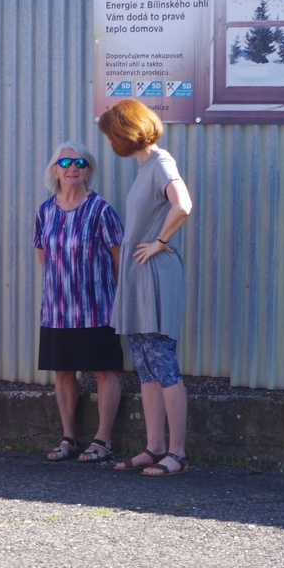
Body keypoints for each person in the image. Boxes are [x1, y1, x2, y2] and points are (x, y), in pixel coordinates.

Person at [98, 99, 194, 476]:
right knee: (146, 367)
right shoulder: (145, 168)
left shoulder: (161, 162)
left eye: (112, 135)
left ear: (125, 132)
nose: (110, 143)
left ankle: (178, 453)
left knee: (163, 362)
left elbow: (183, 205)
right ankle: (154, 448)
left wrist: (159, 242)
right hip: (138, 278)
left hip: (155, 277)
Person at [34, 141, 124, 462]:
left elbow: (118, 256)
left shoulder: (101, 209)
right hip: (57, 310)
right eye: (65, 163)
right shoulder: (45, 211)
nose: (72, 168)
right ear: (55, 172)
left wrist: (111, 295)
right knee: (63, 372)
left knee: (104, 371)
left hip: (97, 308)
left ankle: (103, 440)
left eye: (80, 163)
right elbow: (43, 255)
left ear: (88, 171)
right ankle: (69, 437)